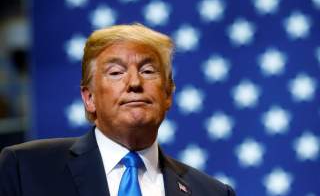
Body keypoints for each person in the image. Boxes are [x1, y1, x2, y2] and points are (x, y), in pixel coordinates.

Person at [0, 24, 236, 196]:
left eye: (148, 71)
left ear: (168, 95)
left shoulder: (212, 192)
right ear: (89, 98)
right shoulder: (26, 169)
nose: (134, 82)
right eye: (116, 72)